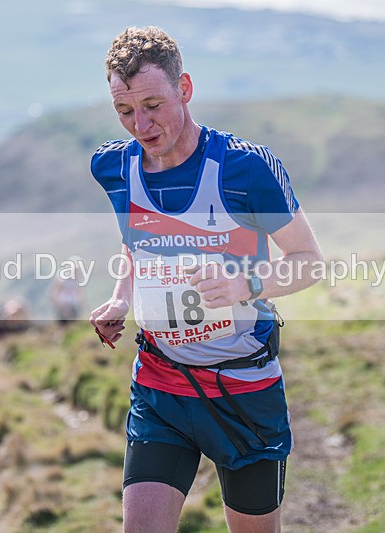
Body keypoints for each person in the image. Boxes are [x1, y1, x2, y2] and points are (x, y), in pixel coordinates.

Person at [89, 27, 323, 532]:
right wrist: (121, 298)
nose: (140, 125)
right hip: (161, 385)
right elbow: (136, 243)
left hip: (243, 389)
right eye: (125, 111)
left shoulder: (245, 168)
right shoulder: (114, 167)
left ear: (185, 88)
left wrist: (245, 284)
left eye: (153, 105)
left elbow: (308, 260)